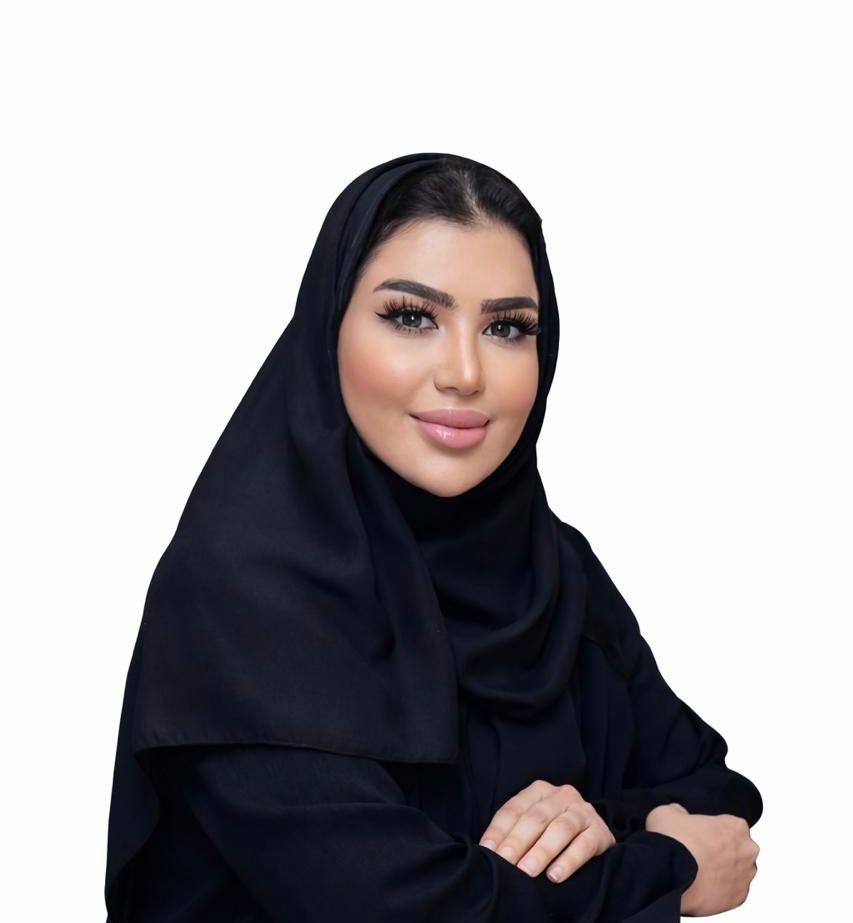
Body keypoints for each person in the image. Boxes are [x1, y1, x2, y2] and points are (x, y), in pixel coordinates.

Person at [103, 152, 762, 922]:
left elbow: (715, 801)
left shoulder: (553, 572)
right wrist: (666, 867)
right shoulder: (236, 595)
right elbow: (400, 907)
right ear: (327, 329)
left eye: (507, 327)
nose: (464, 372)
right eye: (412, 317)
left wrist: (600, 825)